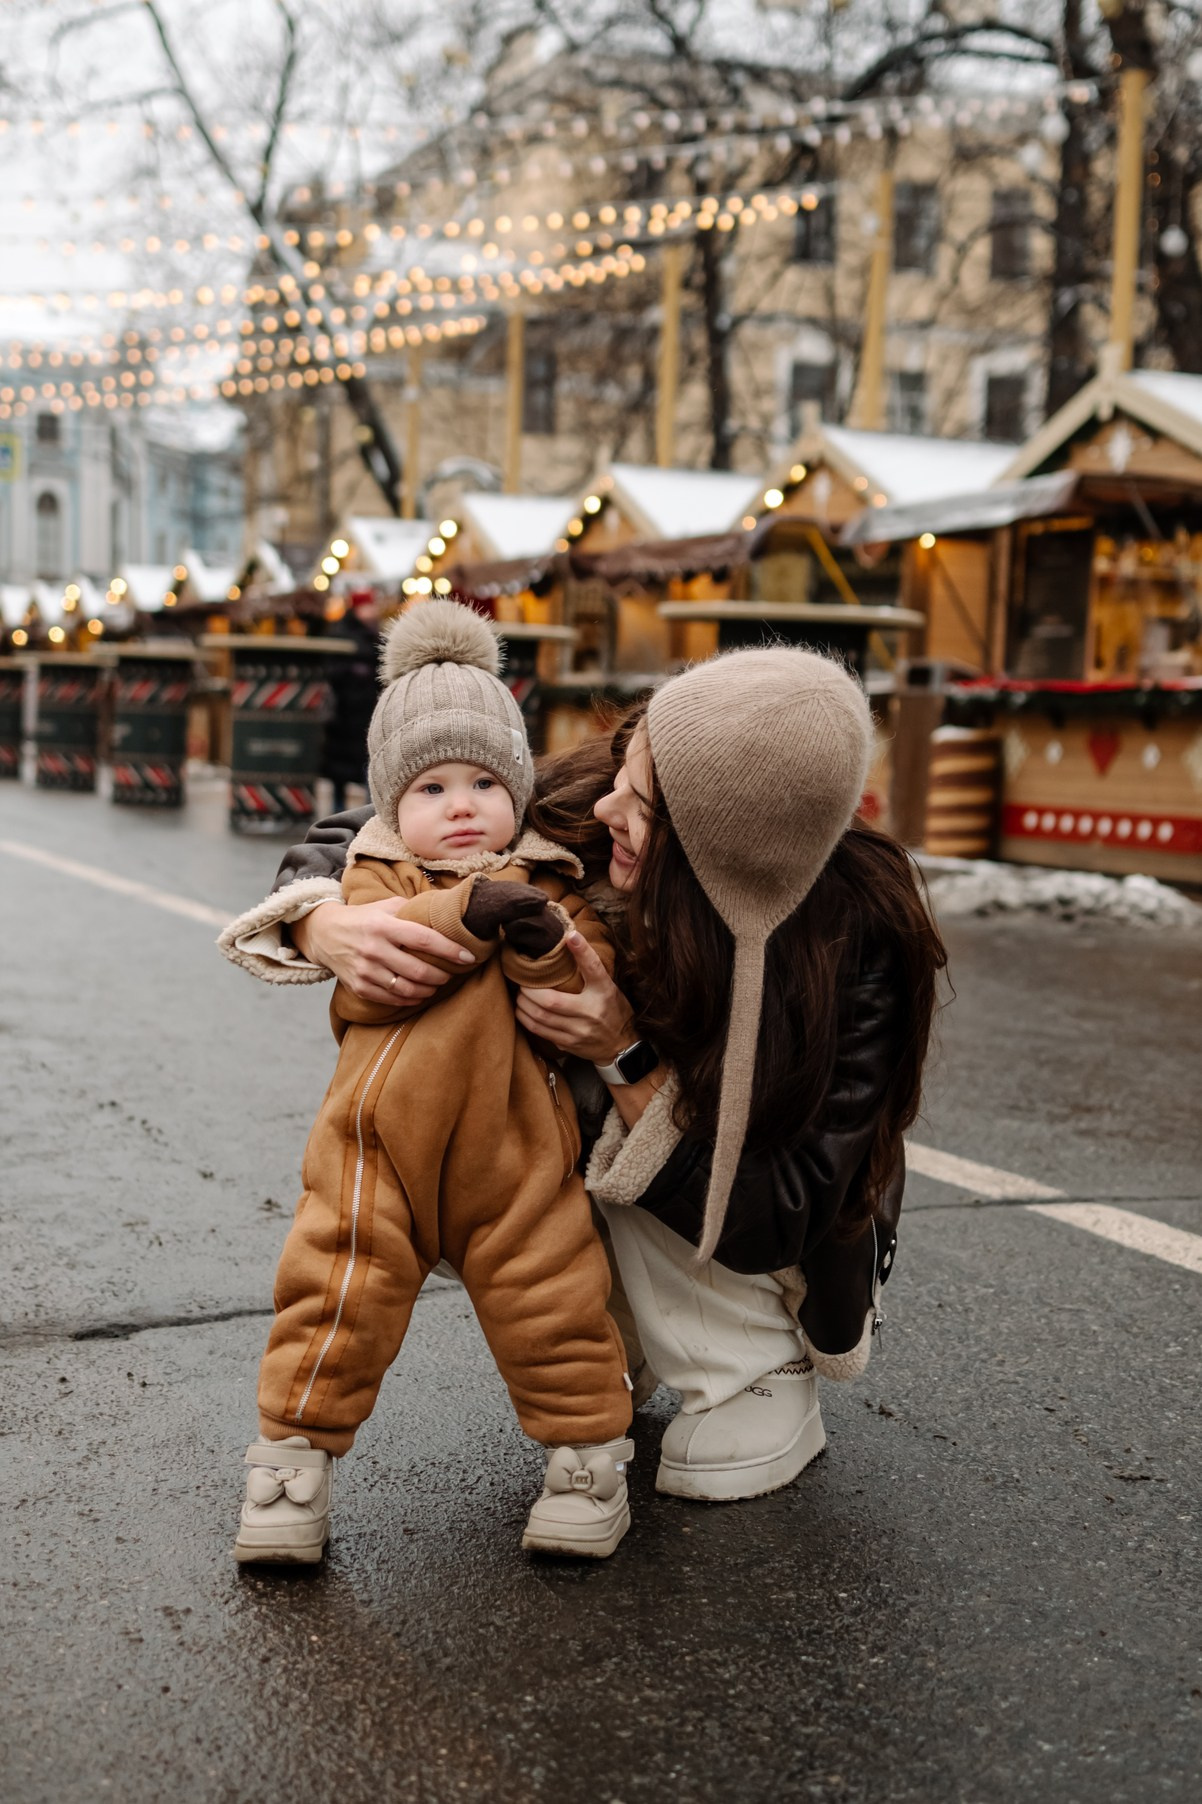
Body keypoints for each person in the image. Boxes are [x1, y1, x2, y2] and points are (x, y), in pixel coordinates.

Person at [227, 635, 946, 1506]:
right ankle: (625, 1334)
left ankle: (754, 1369)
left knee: (631, 1111)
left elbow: (779, 1211)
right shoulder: (599, 795)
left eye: (640, 805)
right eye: (621, 773)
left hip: (759, 1211)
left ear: (713, 841)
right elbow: (387, 813)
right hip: (594, 1152)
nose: (605, 806)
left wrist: (621, 1051)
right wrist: (323, 921)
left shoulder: (854, 941)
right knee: (471, 1114)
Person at [220, 600, 634, 1565]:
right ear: (390, 805)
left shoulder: (552, 880)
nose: (461, 806)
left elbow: (581, 971)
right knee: (332, 1301)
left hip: (515, 1154)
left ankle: (586, 1464)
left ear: (518, 788)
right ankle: (290, 1466)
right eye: (432, 786)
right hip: (375, 1153)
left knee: (556, 1304)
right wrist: (475, 911)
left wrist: (540, 936)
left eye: (486, 782)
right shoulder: (374, 882)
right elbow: (377, 981)